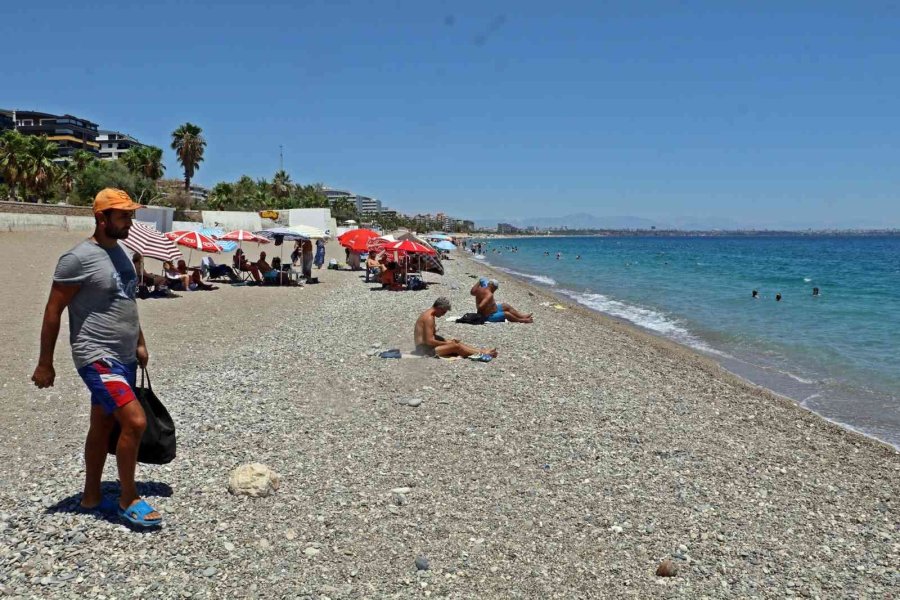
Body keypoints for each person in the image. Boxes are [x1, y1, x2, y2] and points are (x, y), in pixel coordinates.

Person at [31, 188, 162, 527]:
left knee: (103, 423)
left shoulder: (121, 253)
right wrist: (45, 362)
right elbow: (53, 310)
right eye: (123, 216)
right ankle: (127, 497)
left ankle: (91, 495)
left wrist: (140, 342)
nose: (130, 223)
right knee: (134, 422)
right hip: (97, 356)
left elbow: (127, 302)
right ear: (101, 218)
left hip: (124, 355)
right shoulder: (77, 258)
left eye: (131, 216)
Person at [413, 297, 498, 359]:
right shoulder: (429, 318)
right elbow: (429, 341)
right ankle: (481, 353)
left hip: (425, 346)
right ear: (439, 308)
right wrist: (448, 344)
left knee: (455, 343)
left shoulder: (428, 314)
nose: (443, 314)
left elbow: (430, 336)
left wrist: (449, 341)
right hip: (424, 350)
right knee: (456, 346)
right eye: (443, 311)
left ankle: (481, 351)